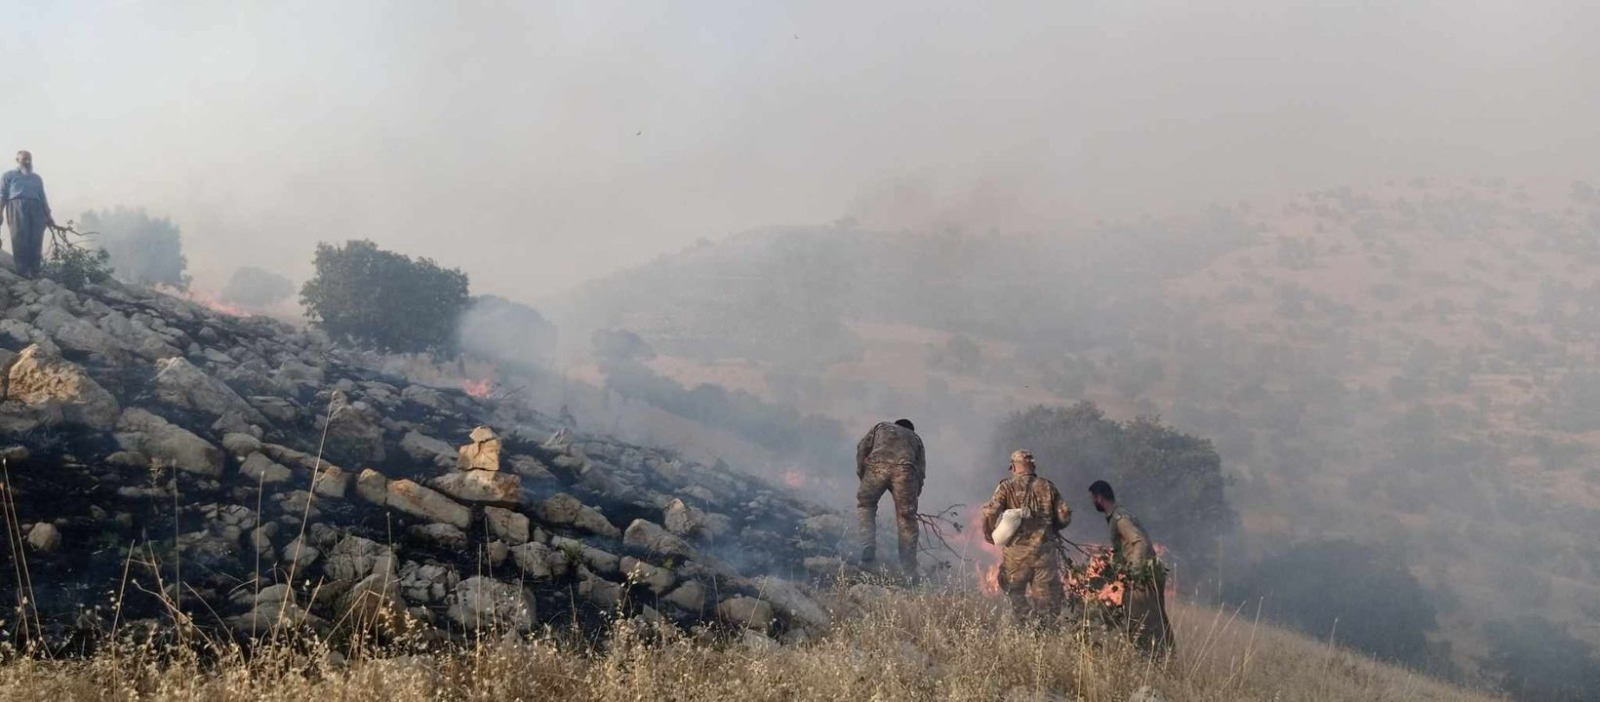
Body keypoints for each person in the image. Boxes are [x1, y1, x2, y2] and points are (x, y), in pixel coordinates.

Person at [982, 450, 1072, 622]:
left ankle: (1027, 623)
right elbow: (1064, 516)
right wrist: (1053, 528)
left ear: (1014, 467)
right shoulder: (1047, 486)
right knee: (1047, 604)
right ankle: (1044, 633)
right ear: (1033, 466)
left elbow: (990, 511)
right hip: (1044, 556)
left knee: (1015, 594)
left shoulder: (1006, 487)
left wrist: (990, 534)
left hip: (1016, 558)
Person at [1089, 479, 1174, 656]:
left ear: (1099, 498)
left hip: (1142, 577)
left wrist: (1134, 572)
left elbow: (1140, 542)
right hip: (1147, 573)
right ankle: (1163, 658)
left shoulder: (1120, 518)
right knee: (1154, 618)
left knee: (1141, 619)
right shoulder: (1119, 515)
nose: (1092, 503)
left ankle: (1152, 659)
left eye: (1093, 498)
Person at [855, 418, 925, 575]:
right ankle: (909, 569)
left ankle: (868, 548)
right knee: (906, 519)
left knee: (866, 505)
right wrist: (912, 499)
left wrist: (862, 474)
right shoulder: (916, 439)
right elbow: (920, 472)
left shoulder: (881, 427)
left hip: (877, 465)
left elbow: (862, 449)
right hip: (905, 470)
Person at [0, 150, 54, 278]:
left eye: (29, 159)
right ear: (17, 160)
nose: (27, 162)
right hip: (16, 207)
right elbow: (2, 195)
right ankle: (23, 271)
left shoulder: (36, 178)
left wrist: (48, 216)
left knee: (36, 239)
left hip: (37, 208)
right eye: (24, 159)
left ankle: (35, 270)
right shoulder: (9, 176)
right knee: (20, 238)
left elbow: (43, 197)